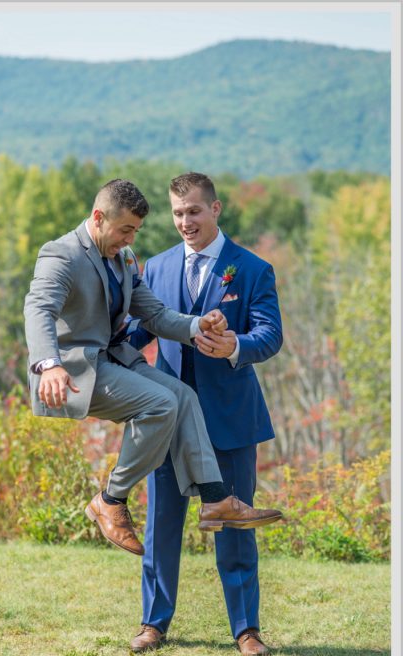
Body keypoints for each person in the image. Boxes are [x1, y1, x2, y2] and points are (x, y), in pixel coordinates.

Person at [23, 178, 282, 560]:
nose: (130, 240)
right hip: (74, 372)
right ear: (98, 217)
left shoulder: (124, 259)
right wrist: (49, 365)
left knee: (182, 395)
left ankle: (215, 500)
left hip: (114, 361)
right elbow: (38, 309)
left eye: (136, 231)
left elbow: (155, 315)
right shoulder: (61, 254)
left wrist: (197, 327)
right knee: (161, 403)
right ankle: (111, 499)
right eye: (125, 229)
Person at [124, 172, 283, 656]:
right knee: (162, 525)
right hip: (167, 419)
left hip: (230, 419)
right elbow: (136, 332)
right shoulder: (157, 267)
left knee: (234, 525)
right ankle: (154, 623)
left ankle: (246, 629)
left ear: (215, 210)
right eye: (177, 213)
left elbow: (270, 335)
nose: (185, 222)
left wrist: (236, 344)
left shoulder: (252, 269)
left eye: (193, 211)